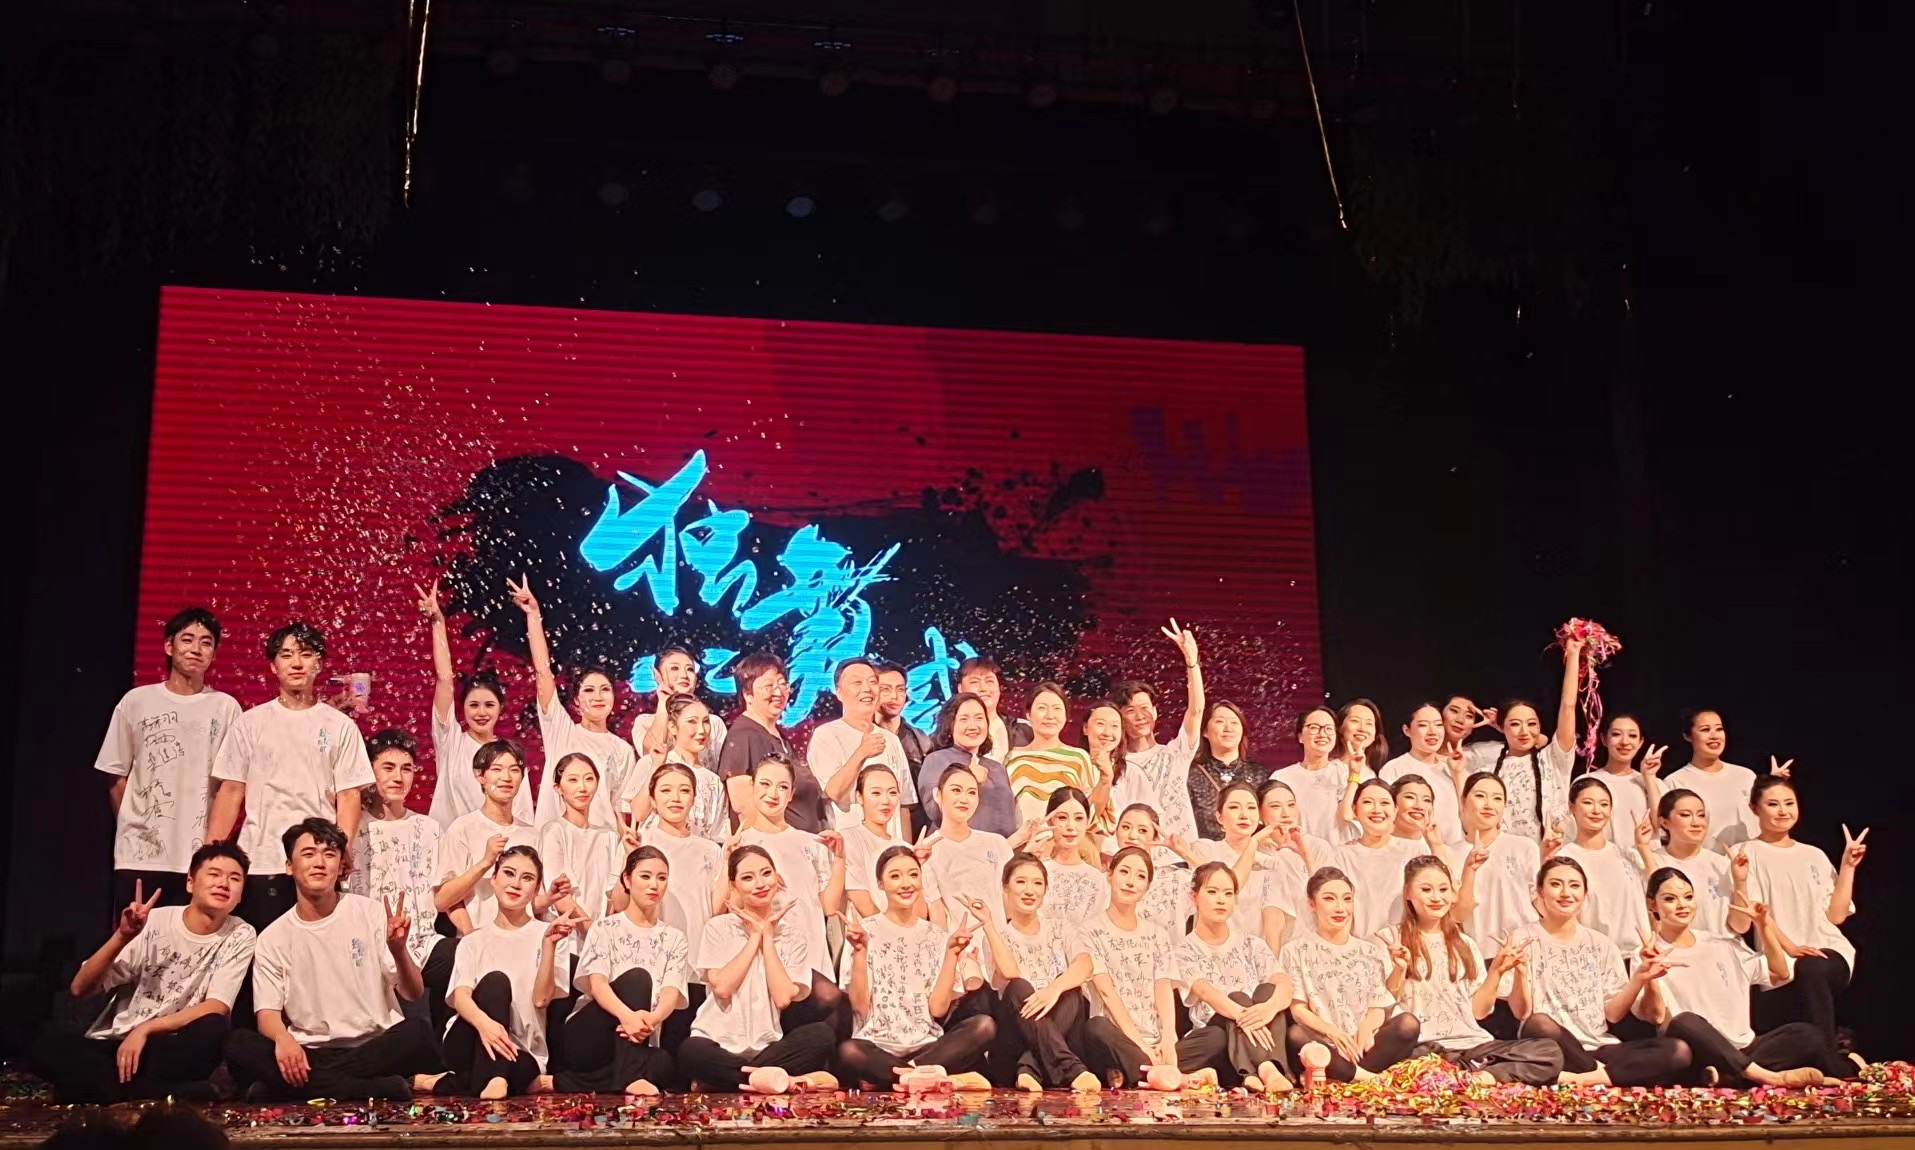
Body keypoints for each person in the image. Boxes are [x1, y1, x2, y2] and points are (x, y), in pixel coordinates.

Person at [225, 819, 438, 1101]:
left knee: (418, 1032)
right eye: (308, 854)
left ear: (340, 866)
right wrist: (283, 1039)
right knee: (238, 1044)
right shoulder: (273, 937)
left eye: (329, 854)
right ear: (289, 866)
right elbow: (267, 1015)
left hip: (373, 1046)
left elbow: (413, 993)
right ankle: (366, 1089)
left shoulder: (370, 912)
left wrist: (399, 950)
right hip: (307, 1051)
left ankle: (294, 1089)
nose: (319, 863)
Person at [31, 844, 255, 1103]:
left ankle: (113, 1092)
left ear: (241, 894)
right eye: (214, 874)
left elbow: (217, 1006)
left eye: (234, 878)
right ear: (190, 883)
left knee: (214, 1027)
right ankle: (164, 1093)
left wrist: (146, 1029)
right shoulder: (153, 922)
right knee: (45, 1044)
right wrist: (122, 936)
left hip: (172, 1047)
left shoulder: (240, 933)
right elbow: (79, 988)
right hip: (121, 1044)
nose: (224, 884)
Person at [207, 622, 373, 932]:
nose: (297, 663)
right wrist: (210, 856)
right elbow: (231, 791)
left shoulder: (340, 726)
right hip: (261, 859)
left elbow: (349, 795)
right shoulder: (250, 723)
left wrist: (342, 849)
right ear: (273, 665)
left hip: (317, 864)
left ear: (319, 663)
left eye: (306, 654)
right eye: (286, 655)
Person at [1638, 867, 1851, 1087]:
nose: (1682, 905)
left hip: (1745, 1048)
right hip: (1698, 1051)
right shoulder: (1647, 953)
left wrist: (1763, 926)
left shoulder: (1722, 943)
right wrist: (1650, 974)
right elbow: (1656, 1016)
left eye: (1688, 897)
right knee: (1683, 1022)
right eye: (1670, 899)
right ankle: (1768, 1077)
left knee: (1807, 1034)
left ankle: (1730, 1077)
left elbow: (1780, 973)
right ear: (1652, 905)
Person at [96, 607, 242, 910]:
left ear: (214, 654)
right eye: (187, 639)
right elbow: (115, 774)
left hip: (198, 857)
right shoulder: (136, 701)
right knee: (137, 934)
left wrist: (212, 847)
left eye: (206, 642)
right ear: (168, 646)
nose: (196, 649)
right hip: (139, 854)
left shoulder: (226, 708)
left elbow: (231, 785)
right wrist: (134, 824)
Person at [1507, 857, 1691, 1086]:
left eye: (1574, 885)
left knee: (1678, 1050)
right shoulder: (1521, 938)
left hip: (1599, 1046)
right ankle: (1604, 1075)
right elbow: (1521, 1012)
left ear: (1585, 894)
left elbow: (1612, 1015)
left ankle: (1585, 1077)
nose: (1566, 893)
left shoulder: (1602, 943)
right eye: (1556, 884)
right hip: (1552, 1047)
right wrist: (1521, 974)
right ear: (1540, 892)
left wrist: (1639, 978)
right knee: (1538, 1023)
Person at [1381, 857, 1563, 1084]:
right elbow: (1385, 1006)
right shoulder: (1391, 938)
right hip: (1424, 1047)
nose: (1436, 897)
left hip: (1472, 1046)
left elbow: (1479, 1012)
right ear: (1408, 892)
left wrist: (1496, 971)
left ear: (1453, 894)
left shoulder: (1465, 944)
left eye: (1443, 889)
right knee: (1411, 1061)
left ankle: (1478, 1077)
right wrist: (1400, 969)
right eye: (1426, 890)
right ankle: (1457, 1075)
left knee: (1548, 1051)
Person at [676, 846, 839, 1092]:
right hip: (715, 1043)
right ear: (734, 886)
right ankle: (770, 1079)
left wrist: (768, 937)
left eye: (766, 873)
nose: (760, 884)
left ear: (777, 878)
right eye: (748, 878)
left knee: (821, 1035)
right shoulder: (718, 927)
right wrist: (754, 937)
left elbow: (783, 998)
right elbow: (722, 988)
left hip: (767, 1048)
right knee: (691, 1052)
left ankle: (737, 1079)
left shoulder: (793, 936)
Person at [422, 846, 579, 1097]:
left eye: (527, 878)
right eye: (509, 873)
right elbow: (460, 997)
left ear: (537, 889)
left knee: (524, 1069)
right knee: (495, 982)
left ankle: (450, 1082)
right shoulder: (473, 940)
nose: (515, 884)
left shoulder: (550, 934)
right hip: (470, 1037)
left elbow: (541, 999)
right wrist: (485, 1025)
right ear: (494, 879)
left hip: (519, 1048)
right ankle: (496, 1077)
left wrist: (549, 945)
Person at [837, 847, 996, 1089]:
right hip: (877, 1046)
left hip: (928, 1046)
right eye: (895, 876)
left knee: (984, 1026)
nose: (906, 883)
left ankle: (905, 1076)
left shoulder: (936, 935)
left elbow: (938, 1009)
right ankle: (929, 1077)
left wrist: (951, 953)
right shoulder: (864, 931)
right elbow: (860, 1007)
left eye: (913, 875)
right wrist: (860, 952)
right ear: (880, 884)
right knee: (849, 1051)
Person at [510, 577, 638, 830]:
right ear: (577, 701)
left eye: (605, 690)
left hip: (602, 842)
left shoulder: (623, 750)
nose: (598, 696)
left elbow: (619, 809)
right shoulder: (562, 731)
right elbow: (543, 672)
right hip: (556, 837)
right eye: (589, 690)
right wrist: (533, 616)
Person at [965, 854, 1100, 1091]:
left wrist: (1053, 990)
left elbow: (1085, 964)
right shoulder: (996, 936)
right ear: (1005, 888)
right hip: (1013, 1044)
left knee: (1070, 990)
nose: (1029, 890)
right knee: (1019, 987)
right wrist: (988, 924)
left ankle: (1030, 1069)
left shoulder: (1060, 927)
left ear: (1045, 890)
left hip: (1057, 1039)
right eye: (1021, 882)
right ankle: (1070, 1069)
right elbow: (1010, 973)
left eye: (1037, 883)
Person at [1741, 776, 1861, 1039]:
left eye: (1789, 803)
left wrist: (1848, 866)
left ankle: (1826, 1055)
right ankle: (1828, 1052)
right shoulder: (1746, 853)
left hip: (1828, 952)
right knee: (1803, 975)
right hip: (1780, 958)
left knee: (1810, 968)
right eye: (1773, 804)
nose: (1783, 811)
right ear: (1754, 809)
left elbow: (1836, 916)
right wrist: (1791, 948)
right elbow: (1759, 913)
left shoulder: (1814, 854)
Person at [559, 846, 686, 1095]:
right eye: (645, 876)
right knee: (638, 979)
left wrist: (651, 1020)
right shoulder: (604, 928)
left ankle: (563, 1082)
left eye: (661, 878)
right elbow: (598, 985)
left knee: (664, 1064)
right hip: (591, 1036)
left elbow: (671, 992)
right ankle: (631, 1077)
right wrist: (628, 1017)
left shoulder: (675, 937)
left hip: (639, 1035)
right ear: (627, 880)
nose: (654, 885)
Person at [1278, 867, 1420, 1084]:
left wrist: (1365, 1031)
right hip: (1324, 1045)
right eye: (1329, 899)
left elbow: (1377, 1007)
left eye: (1347, 899)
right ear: (1312, 904)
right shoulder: (1295, 950)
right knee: (1296, 1036)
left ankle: (1345, 1075)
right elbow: (1298, 1011)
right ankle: (1365, 1078)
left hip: (1363, 1047)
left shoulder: (1369, 950)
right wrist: (1332, 1032)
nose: (1340, 908)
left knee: (1408, 1024)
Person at [735, 753, 847, 1025]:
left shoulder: (811, 843)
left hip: (812, 952)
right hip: (769, 954)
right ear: (752, 786)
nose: (773, 794)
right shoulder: (740, 844)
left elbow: (829, 906)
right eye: (765, 784)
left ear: (791, 792)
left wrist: (840, 859)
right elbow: (732, 907)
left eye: (782, 786)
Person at [1079, 847, 1203, 1089]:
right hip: (1118, 1037)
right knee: (1096, 1027)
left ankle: (1145, 1071)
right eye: (1124, 872)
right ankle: (1168, 1075)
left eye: (1140, 876)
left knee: (1215, 1037)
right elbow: (1106, 993)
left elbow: (1163, 986)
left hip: (1157, 1041)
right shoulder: (1089, 931)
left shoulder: (1158, 933)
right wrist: (1140, 1045)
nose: (1130, 882)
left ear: (1147, 886)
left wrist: (1169, 1038)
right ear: (1109, 875)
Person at [418, 582, 533, 827]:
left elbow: (523, 817)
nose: (481, 712)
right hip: (452, 845)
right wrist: (438, 622)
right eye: (474, 705)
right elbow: (444, 678)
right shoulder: (451, 743)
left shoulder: (511, 756)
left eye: (489, 705)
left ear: (501, 708)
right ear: (463, 708)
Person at [1177, 862, 1293, 1091]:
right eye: (1212, 892)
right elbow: (1205, 991)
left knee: (1268, 991)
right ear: (1194, 897)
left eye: (1228, 894)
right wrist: (1245, 1015)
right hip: (1216, 1034)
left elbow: (1285, 985)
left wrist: (1268, 1008)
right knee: (1237, 997)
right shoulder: (1183, 950)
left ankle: (1257, 1072)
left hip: (1258, 1026)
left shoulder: (1252, 943)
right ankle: (1266, 1068)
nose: (1221, 900)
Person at [345, 731, 443, 995]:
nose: (398, 777)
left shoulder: (429, 828)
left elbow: (440, 893)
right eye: (388, 768)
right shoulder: (352, 829)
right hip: (363, 947)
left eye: (406, 769)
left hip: (423, 946)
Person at [638, 762, 723, 1052]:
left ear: (694, 798)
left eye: (684, 790)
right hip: (653, 959)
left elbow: (714, 909)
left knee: (685, 1045)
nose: (675, 798)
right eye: (666, 790)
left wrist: (728, 862)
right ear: (652, 799)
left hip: (696, 958)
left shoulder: (710, 849)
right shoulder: (643, 842)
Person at [1465, 639, 1582, 843]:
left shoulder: (1553, 759)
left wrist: (1573, 655)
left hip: (1553, 851)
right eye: (1515, 724)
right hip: (1503, 853)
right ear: (1501, 727)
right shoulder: (1487, 765)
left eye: (1531, 724)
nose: (1524, 731)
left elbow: (1568, 706)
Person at [1112, 620, 1206, 853]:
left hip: (1180, 856)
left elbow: (1196, 711)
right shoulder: (1115, 765)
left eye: (1145, 708)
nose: (1140, 716)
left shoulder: (1176, 753)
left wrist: (1192, 663)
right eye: (1130, 711)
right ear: (1120, 718)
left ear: (1155, 712)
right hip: (1134, 858)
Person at [1631, 788, 1752, 940]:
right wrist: (1644, 849)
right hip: (1675, 950)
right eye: (1685, 815)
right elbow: (1655, 923)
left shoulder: (1723, 864)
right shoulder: (1649, 862)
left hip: (1722, 948)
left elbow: (1741, 926)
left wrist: (1740, 882)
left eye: (1701, 815)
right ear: (1664, 822)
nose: (1696, 823)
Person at [812, 658, 915, 837]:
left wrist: (906, 847)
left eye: (872, 682)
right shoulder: (826, 735)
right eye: (857, 683)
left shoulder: (891, 740)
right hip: (849, 845)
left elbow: (904, 805)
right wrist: (861, 753)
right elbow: (833, 792)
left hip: (892, 847)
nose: (867, 688)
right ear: (839, 692)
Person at [717, 654, 817, 829]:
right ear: (747, 694)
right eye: (769, 686)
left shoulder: (779, 736)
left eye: (782, 684)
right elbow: (743, 805)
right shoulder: (744, 736)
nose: (778, 692)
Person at [1446, 773, 1542, 952]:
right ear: (1463, 801)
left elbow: (1540, 903)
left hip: (1524, 950)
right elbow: (1456, 915)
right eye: (1480, 796)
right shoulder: (1449, 854)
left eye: (1497, 798)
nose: (1489, 805)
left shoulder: (1524, 847)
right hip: (1477, 953)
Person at [1554, 776, 1651, 953]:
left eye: (1604, 804)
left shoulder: (1627, 855)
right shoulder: (1564, 858)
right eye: (1588, 803)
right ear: (1571, 807)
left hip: (1639, 956)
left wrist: (1644, 848)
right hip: (1595, 956)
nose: (1597, 810)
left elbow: (1658, 891)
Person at [1660, 709, 1774, 852]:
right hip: (1707, 861)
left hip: (1749, 858)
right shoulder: (1676, 782)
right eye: (1705, 730)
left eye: (1719, 729)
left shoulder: (1746, 776)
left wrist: (1773, 788)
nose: (1714, 736)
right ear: (1688, 736)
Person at [842, 765, 942, 923]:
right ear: (859, 797)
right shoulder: (849, 839)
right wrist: (891, 934)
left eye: (892, 793)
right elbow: (863, 903)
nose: (886, 801)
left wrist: (917, 864)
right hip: (868, 934)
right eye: (876, 793)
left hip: (907, 935)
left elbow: (920, 914)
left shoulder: (907, 850)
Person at [537, 752, 624, 929]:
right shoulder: (554, 831)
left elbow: (614, 899)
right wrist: (594, 936)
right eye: (573, 780)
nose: (582, 787)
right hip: (567, 936)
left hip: (604, 934)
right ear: (558, 788)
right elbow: (561, 899)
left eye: (589, 779)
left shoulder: (609, 836)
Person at [627, 694, 728, 842]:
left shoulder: (713, 780)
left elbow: (716, 834)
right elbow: (638, 814)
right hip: (655, 850)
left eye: (706, 721)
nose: (702, 730)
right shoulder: (651, 763)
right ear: (673, 727)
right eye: (692, 721)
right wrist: (656, 766)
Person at [1330, 779, 1423, 938]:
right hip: (1358, 947)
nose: (1377, 809)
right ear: (1355, 809)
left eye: (1384, 803)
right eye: (1368, 802)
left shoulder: (1415, 850)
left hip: (1406, 944)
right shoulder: (1341, 855)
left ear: (1395, 810)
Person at [917, 692, 1018, 836]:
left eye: (979, 718)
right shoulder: (936, 760)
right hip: (953, 845)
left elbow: (1008, 821)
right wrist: (969, 778)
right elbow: (934, 811)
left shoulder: (997, 768)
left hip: (998, 847)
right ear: (950, 725)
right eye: (964, 719)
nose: (973, 726)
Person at [1006, 682, 1097, 825]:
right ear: (1028, 714)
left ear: (1066, 715)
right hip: (1022, 837)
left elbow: (1091, 809)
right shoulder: (1012, 758)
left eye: (1057, 709)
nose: (1050, 716)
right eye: (1042, 708)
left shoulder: (1079, 758)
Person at [630, 647, 727, 775]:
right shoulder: (645, 722)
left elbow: (726, 771)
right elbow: (652, 753)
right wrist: (664, 702)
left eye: (690, 669)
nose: (684, 675)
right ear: (657, 675)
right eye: (674, 668)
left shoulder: (713, 723)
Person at [1379, 704, 1463, 847]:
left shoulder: (1452, 768)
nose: (1433, 732)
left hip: (1450, 851)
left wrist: (1458, 773)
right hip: (1410, 850)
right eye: (1423, 725)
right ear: (1407, 730)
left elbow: (1467, 812)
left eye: (1438, 725)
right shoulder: (1394, 768)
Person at [1584, 715, 1664, 854]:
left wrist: (1649, 777)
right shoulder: (1587, 782)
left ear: (1640, 742)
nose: (1625, 742)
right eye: (1616, 734)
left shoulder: (1653, 783)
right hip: (1603, 859)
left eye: (1632, 736)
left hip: (1648, 861)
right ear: (1604, 739)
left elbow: (1663, 824)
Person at [1114, 803, 1197, 932]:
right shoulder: (1103, 880)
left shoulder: (1174, 880)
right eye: (1126, 827)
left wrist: (1185, 853)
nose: (1132, 836)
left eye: (1142, 830)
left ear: (1155, 837)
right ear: (1116, 832)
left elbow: (1222, 883)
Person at [1269, 707, 1342, 843]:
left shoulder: (1346, 773)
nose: (1322, 734)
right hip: (1295, 852)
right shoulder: (1282, 778)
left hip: (1338, 853)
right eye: (1314, 728)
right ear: (1300, 736)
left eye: (1329, 728)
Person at [957, 655, 1032, 762]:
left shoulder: (1024, 729)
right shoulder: (948, 734)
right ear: (960, 689)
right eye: (974, 682)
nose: (983, 688)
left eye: (989, 681)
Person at [874, 661, 934, 789]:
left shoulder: (920, 740)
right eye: (886, 689)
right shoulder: (861, 734)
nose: (894, 696)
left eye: (900, 689)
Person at [1080, 701, 1125, 835]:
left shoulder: (1131, 771)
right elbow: (1081, 815)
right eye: (1100, 724)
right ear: (1085, 728)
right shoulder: (1075, 766)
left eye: (1115, 726)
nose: (1107, 733)